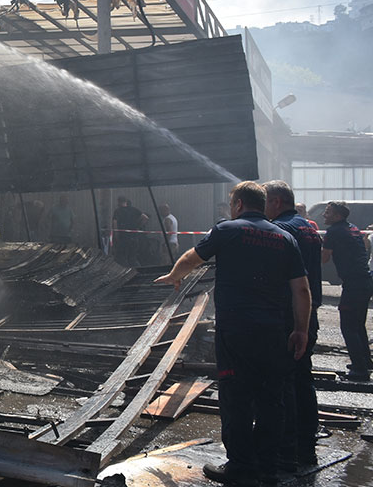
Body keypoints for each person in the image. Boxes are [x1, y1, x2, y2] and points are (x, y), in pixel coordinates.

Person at [154, 181, 310, 485]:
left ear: (238, 204)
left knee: (236, 396)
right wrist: (301, 330)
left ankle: (240, 467)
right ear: (263, 205)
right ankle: (267, 466)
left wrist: (174, 275)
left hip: (236, 331)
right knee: (271, 399)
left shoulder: (227, 230)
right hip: (274, 332)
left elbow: (191, 257)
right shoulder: (286, 238)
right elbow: (301, 290)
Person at [265, 181, 323, 469]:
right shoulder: (309, 227)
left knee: (284, 382)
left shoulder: (283, 230)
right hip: (308, 314)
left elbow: (281, 278)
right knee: (303, 380)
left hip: (290, 316)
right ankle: (305, 446)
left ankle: (285, 452)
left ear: (276, 201)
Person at [320, 201, 372, 382]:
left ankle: (359, 370)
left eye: (328, 212)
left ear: (337, 215)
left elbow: (324, 259)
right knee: (358, 325)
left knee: (348, 326)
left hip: (354, 283)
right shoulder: (353, 228)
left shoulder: (334, 231)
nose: (324, 215)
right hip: (364, 280)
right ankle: (364, 362)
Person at [113, 197, 147, 266]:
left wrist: (116, 234)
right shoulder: (134, 210)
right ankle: (138, 271)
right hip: (134, 237)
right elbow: (145, 217)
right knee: (133, 257)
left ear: (119, 202)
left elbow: (115, 223)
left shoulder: (118, 211)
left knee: (122, 257)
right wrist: (138, 226)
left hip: (123, 237)